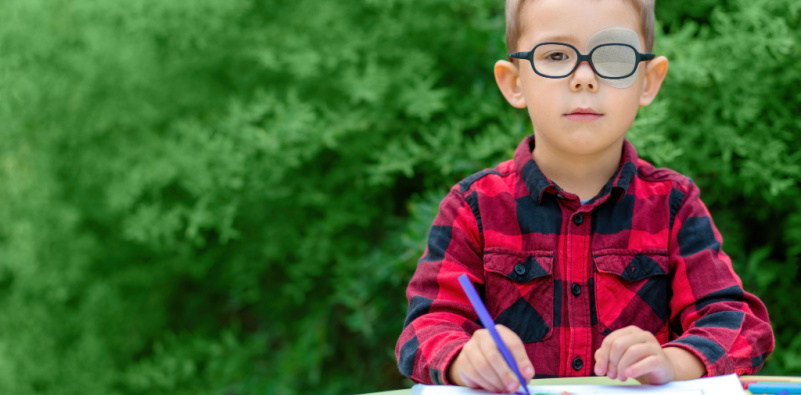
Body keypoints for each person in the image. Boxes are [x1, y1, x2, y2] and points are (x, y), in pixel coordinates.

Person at [395, 0, 775, 393]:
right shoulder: (473, 207)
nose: (584, 78)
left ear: (648, 81)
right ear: (514, 83)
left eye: (612, 56)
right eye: (557, 55)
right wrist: (464, 359)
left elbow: (739, 325)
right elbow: (423, 331)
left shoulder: (673, 204)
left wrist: (671, 362)